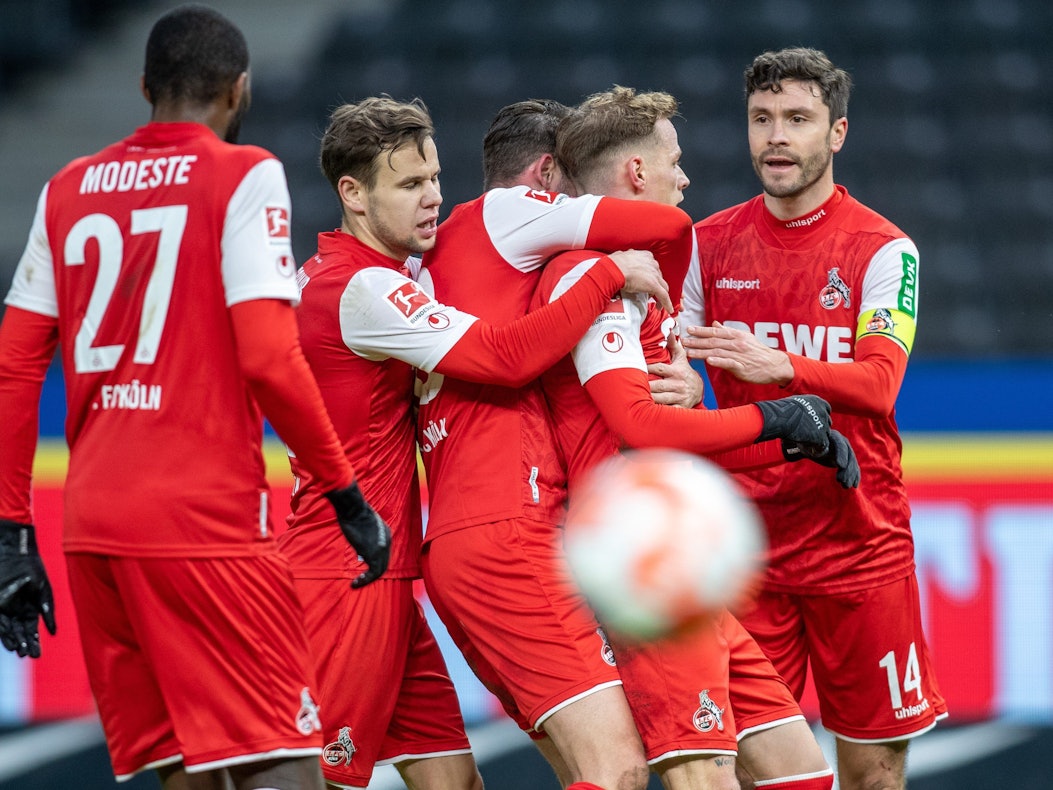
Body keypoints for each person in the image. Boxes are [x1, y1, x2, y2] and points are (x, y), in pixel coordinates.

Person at [0, 5, 393, 790]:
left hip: (93, 526)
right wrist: (345, 492)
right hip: (203, 519)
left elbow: (14, 363)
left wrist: (12, 533)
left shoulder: (67, 188)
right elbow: (269, 357)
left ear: (145, 86)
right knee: (280, 760)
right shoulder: (242, 173)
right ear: (239, 88)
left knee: (184, 766)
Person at [279, 95, 671, 790]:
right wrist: (610, 274)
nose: (432, 196)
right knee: (316, 782)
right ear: (353, 195)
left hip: (393, 572)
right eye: (408, 184)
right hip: (343, 579)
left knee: (453, 782)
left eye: (433, 177)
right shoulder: (362, 289)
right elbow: (503, 357)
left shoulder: (357, 276)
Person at [532, 84, 841, 790]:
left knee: (798, 771)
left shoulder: (637, 275)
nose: (686, 178)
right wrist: (776, 419)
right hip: (638, 558)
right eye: (674, 161)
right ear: (636, 171)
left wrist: (792, 439)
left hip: (679, 558)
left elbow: (663, 431)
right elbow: (635, 424)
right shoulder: (591, 276)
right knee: (701, 771)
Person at [679, 47, 947, 790]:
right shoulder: (705, 245)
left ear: (836, 133)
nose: (776, 136)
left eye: (797, 119)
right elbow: (671, 367)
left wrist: (780, 365)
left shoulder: (884, 250)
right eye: (761, 118)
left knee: (874, 771)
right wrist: (675, 382)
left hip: (860, 546)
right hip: (745, 553)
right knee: (747, 769)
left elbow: (878, 386)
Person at [418, 99, 700, 790]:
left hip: (457, 535)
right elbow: (670, 225)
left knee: (582, 768)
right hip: (508, 529)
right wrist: (633, 283)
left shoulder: (431, 258)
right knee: (620, 770)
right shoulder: (511, 210)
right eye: (574, 182)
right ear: (546, 175)